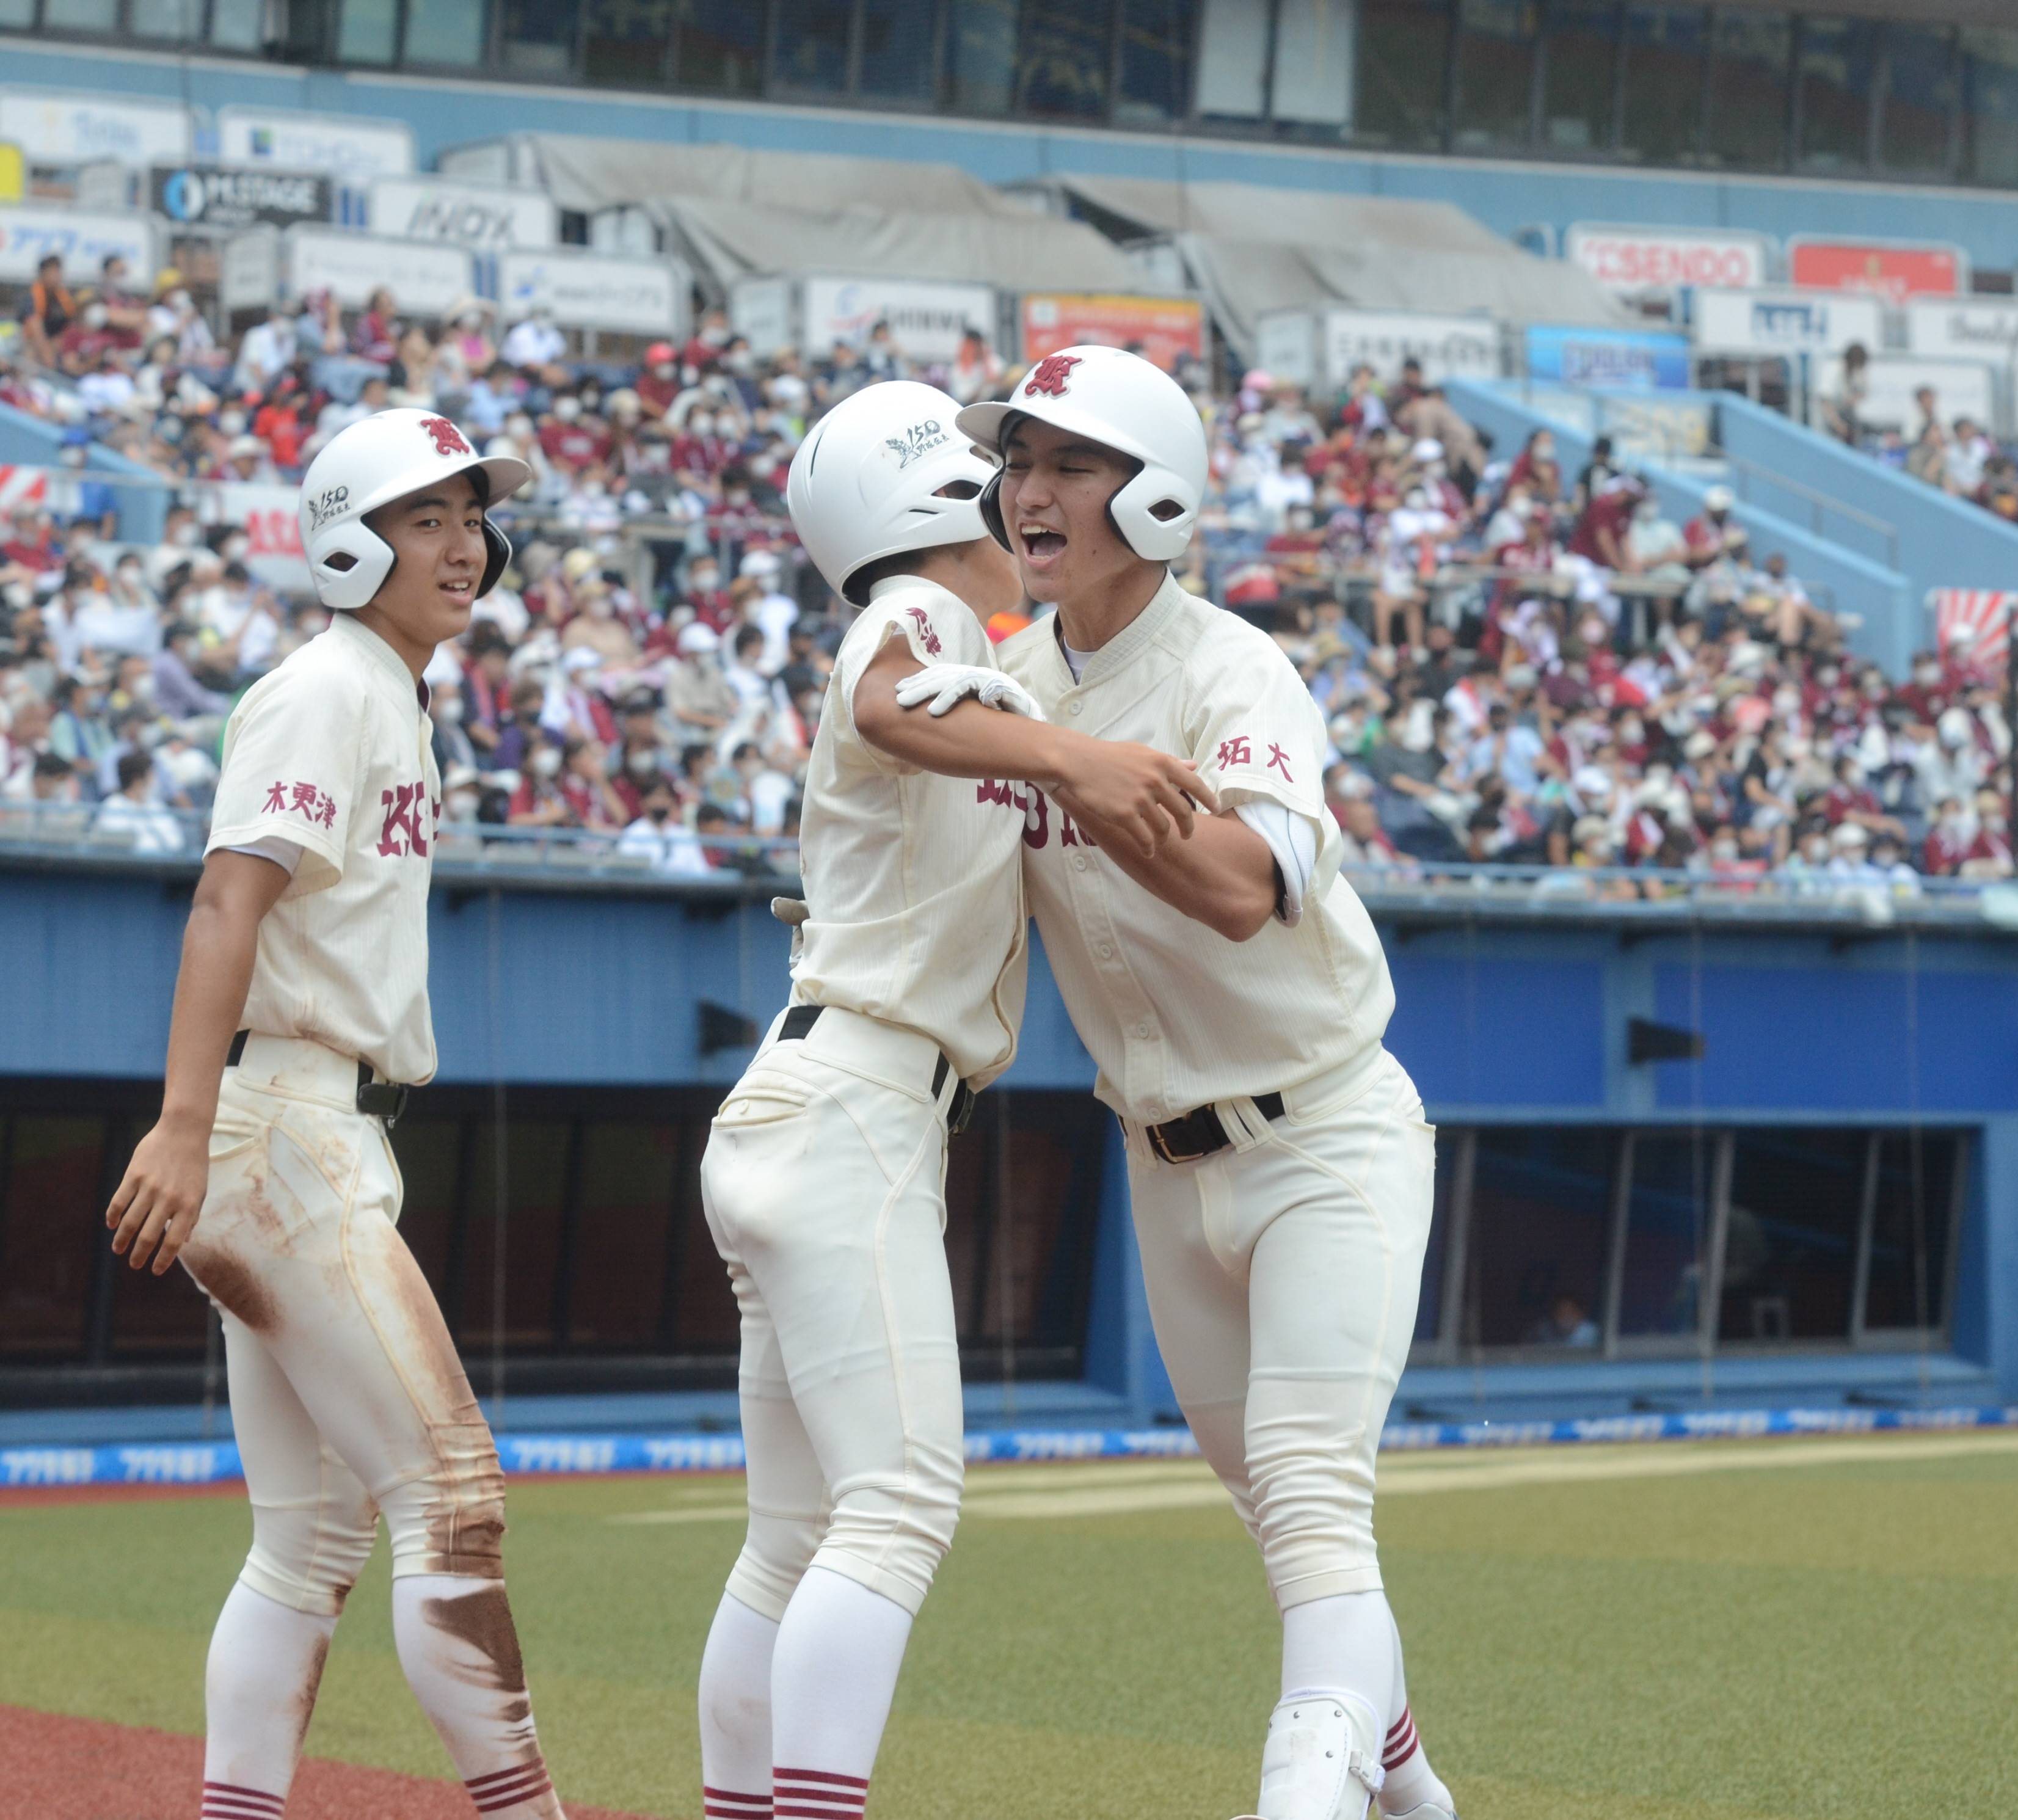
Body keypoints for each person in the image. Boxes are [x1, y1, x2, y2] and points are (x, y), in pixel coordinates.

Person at [690, 381, 1214, 1820]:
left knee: (791, 1531)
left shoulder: (962, 645)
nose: (1023, 495)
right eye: (1001, 470)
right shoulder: (914, 612)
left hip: (815, 1097)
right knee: (899, 1501)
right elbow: (881, 693)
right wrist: (1081, 754)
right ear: (935, 498)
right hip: (854, 1094)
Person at [967, 346, 1462, 1820]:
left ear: (1158, 491)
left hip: (1323, 1132)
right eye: (1018, 459)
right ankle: (1412, 1789)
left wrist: (1059, 763)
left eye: (1067, 460)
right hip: (1162, 1164)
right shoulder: (1009, 682)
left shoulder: (1231, 666)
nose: (1028, 488)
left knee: (1312, 1499)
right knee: (1281, 1520)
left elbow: (1245, 886)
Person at [99, 410, 572, 1819]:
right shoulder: (331, 685)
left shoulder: (385, 691)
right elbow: (224, 901)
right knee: (453, 1497)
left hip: (312, 1123)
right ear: (351, 538)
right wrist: (186, 1123)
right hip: (289, 1121)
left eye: (471, 516)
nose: (465, 542)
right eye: (427, 515)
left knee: (305, 1544)